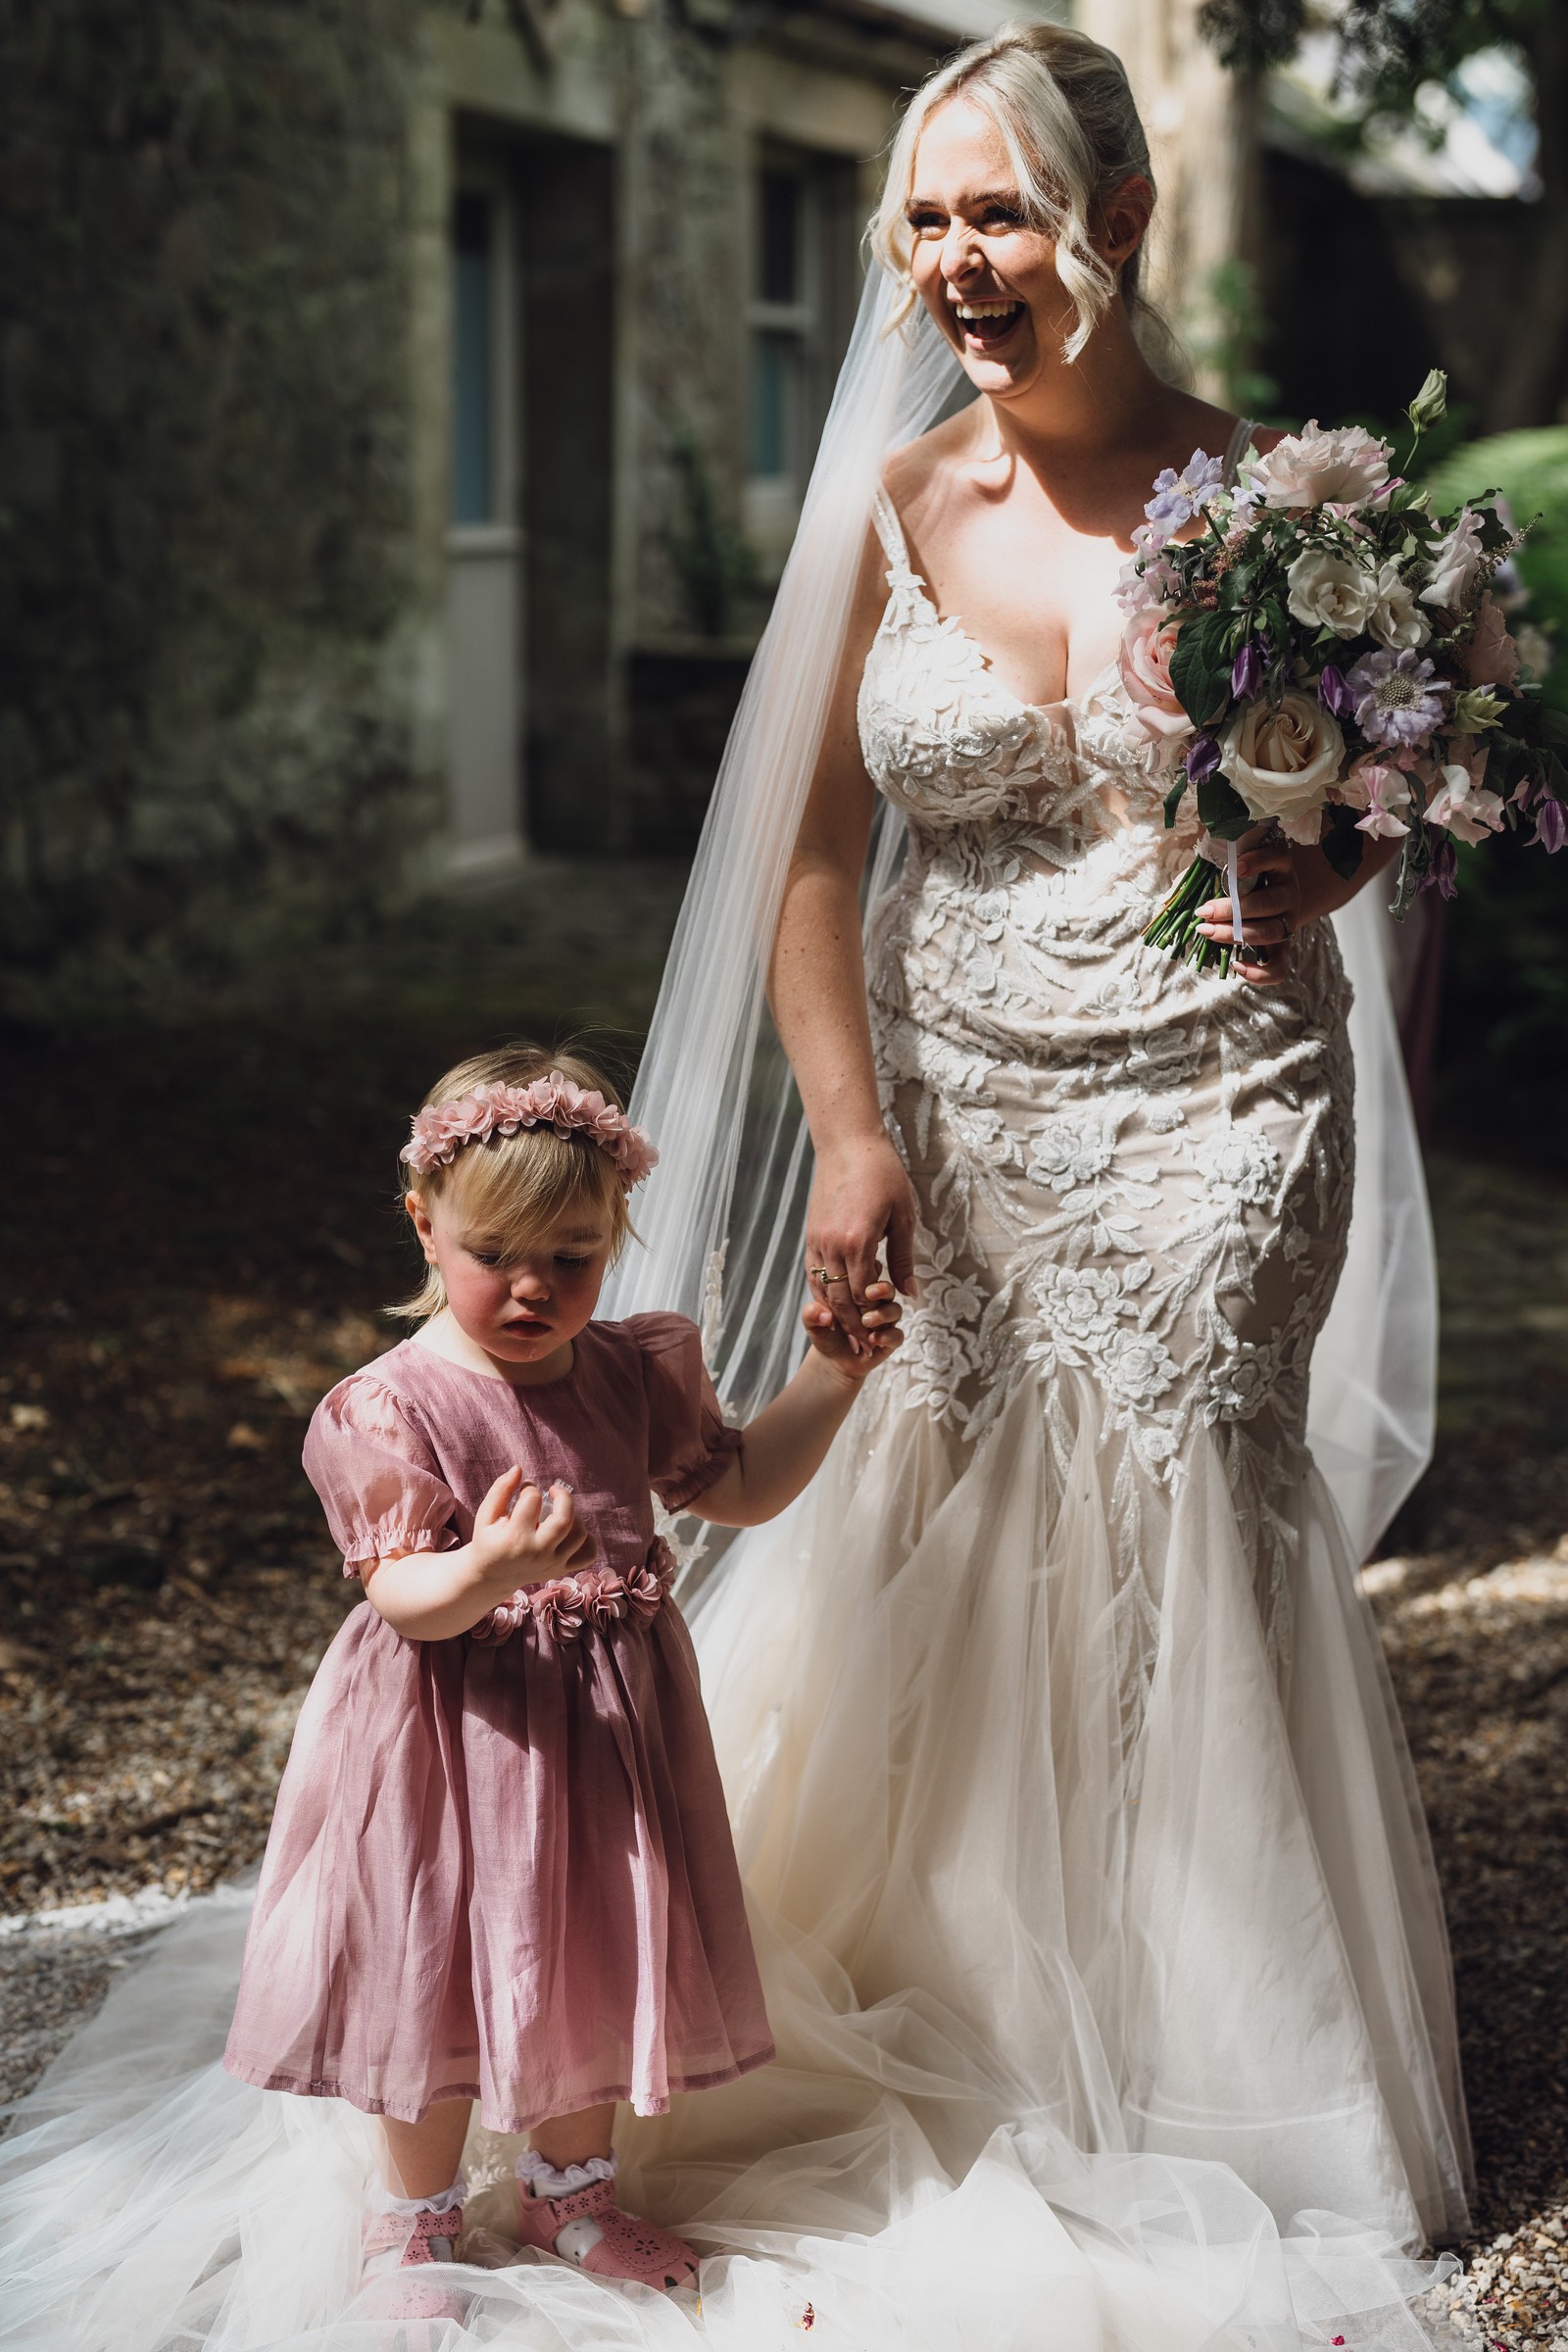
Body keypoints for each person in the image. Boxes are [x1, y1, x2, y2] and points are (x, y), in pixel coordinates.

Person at [220, 1042, 901, 2321]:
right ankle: (412, 2220)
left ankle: (568, 2193)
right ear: (426, 1226)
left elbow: (740, 1487)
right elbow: (400, 1595)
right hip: (445, 1741)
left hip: (596, 1738)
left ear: (614, 1238)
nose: (535, 1287)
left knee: (589, 1950)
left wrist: (836, 1376)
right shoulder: (389, 1407)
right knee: (429, 1966)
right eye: (496, 1255)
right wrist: (487, 1566)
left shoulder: (630, 1372)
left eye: (573, 1258)